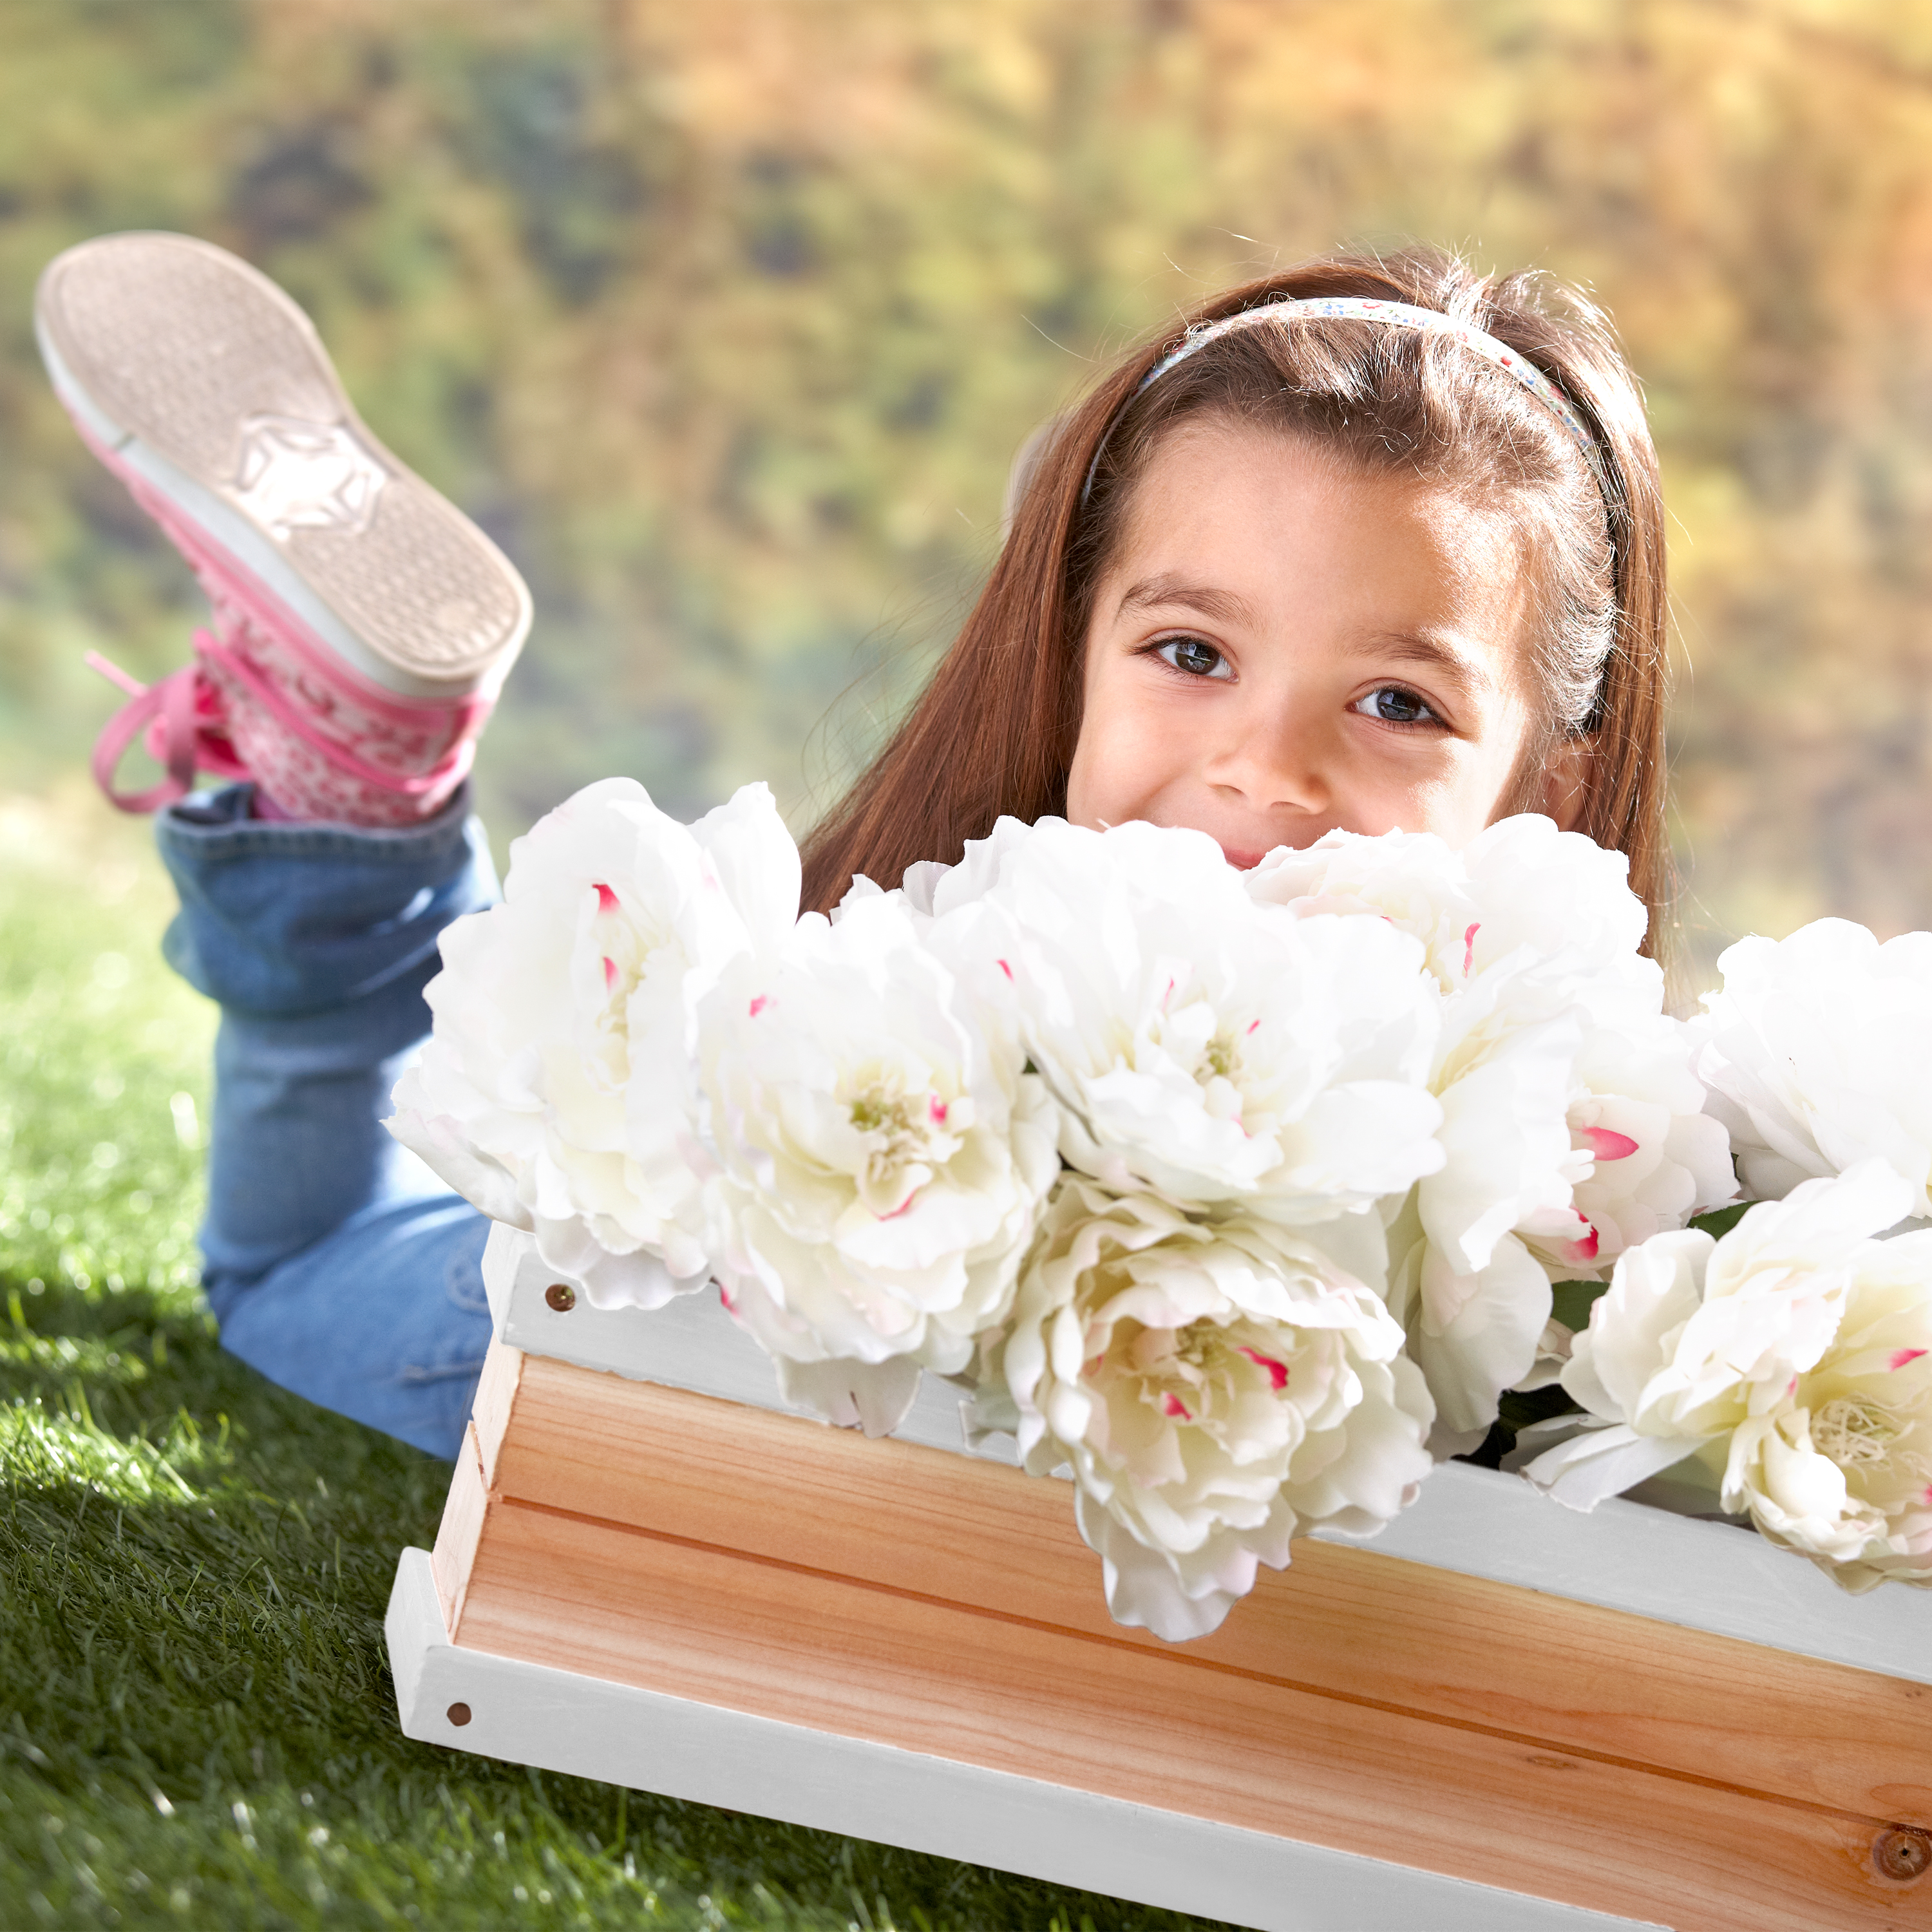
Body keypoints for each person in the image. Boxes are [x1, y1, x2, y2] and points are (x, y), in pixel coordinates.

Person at [37, 231, 1670, 1461]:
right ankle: (355, 796)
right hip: (703, 1325)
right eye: (1191, 654)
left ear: (1550, 785)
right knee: (304, 1262)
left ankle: (356, 790)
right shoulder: (966, 971)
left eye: (1396, 702)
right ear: (1071, 654)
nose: (1265, 768)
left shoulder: (1580, 1132)